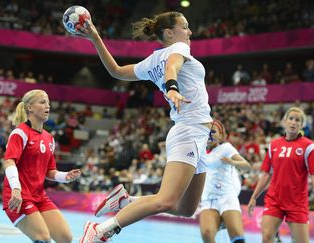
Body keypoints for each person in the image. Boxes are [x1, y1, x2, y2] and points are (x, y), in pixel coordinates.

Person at [77, 11, 217, 242]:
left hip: (199, 135)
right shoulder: (179, 48)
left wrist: (95, 38)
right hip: (189, 130)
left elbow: (116, 71)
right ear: (170, 33)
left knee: (186, 209)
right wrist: (172, 87)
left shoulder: (152, 61)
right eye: (186, 27)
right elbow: (172, 67)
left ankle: (125, 201)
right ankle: (101, 230)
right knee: (165, 200)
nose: (190, 31)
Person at [2, 89, 81, 243]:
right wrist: (16, 189)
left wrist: (65, 177)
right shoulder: (20, 133)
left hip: (39, 196)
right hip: (18, 197)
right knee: (43, 239)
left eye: (49, 103)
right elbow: (9, 161)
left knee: (65, 238)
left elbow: (50, 171)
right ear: (30, 107)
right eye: (43, 102)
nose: (48, 106)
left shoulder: (49, 138)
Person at [247, 107, 314, 243]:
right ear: (284, 121)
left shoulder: (309, 147)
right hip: (275, 200)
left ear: (301, 125)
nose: (293, 122)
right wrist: (254, 197)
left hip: (297, 202)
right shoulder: (274, 145)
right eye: (291, 119)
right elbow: (266, 175)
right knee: (266, 237)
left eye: (297, 120)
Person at [199, 120, 251, 243]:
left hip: (227, 197)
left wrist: (233, 162)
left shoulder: (226, 148)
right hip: (209, 200)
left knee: (237, 237)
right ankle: (221, 221)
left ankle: (225, 220)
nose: (209, 135)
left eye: (213, 132)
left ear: (222, 136)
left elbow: (246, 166)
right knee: (206, 234)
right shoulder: (199, 152)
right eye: (206, 132)